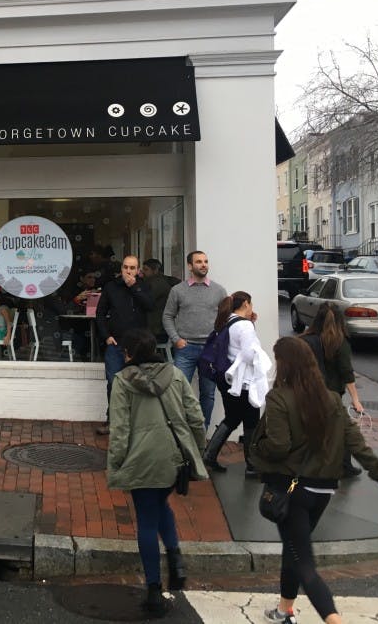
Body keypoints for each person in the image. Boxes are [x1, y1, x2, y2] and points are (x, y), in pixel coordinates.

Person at [250, 336, 378, 624]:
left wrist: (258, 447)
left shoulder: (279, 397)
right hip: (323, 489)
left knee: (305, 563)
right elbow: (355, 442)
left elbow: (279, 446)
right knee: (295, 550)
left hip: (293, 488)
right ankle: (284, 611)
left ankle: (333, 620)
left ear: (285, 365)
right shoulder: (331, 397)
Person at [107, 328, 207, 618]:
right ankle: (175, 557)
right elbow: (196, 417)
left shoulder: (123, 382)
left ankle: (153, 590)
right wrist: (195, 451)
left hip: (141, 459)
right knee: (161, 503)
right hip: (173, 458)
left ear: (128, 353)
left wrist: (116, 462)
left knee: (147, 520)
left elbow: (120, 429)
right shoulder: (175, 375)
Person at [201, 291, 271, 478]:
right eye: (251, 304)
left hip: (227, 379)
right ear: (246, 304)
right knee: (251, 421)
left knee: (232, 418)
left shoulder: (227, 321)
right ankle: (252, 465)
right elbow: (249, 354)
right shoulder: (244, 326)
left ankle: (210, 455)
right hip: (243, 382)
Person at [162, 250, 228, 429]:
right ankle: (180, 430)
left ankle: (201, 431)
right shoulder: (178, 290)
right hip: (185, 348)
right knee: (177, 391)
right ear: (190, 266)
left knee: (208, 394)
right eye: (199, 262)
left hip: (210, 351)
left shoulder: (219, 290)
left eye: (206, 261)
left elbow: (227, 318)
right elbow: (167, 316)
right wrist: (176, 339)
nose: (204, 264)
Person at [300, 302, 365, 477]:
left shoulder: (308, 338)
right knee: (343, 430)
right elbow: (346, 372)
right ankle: (344, 466)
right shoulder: (339, 341)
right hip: (332, 393)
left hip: (311, 392)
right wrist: (356, 400)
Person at [95, 255, 154, 434]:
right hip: (116, 343)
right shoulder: (111, 287)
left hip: (137, 345)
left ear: (138, 270)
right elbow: (100, 313)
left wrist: (134, 286)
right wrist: (106, 336)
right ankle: (112, 420)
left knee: (137, 383)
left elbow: (150, 306)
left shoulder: (143, 286)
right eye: (126, 267)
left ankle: (134, 422)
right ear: (121, 268)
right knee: (114, 382)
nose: (129, 271)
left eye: (133, 268)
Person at [142, 258, 180, 344]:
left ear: (155, 270)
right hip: (162, 326)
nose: (143, 272)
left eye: (146, 269)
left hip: (156, 328)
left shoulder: (157, 283)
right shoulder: (165, 280)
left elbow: (146, 301)